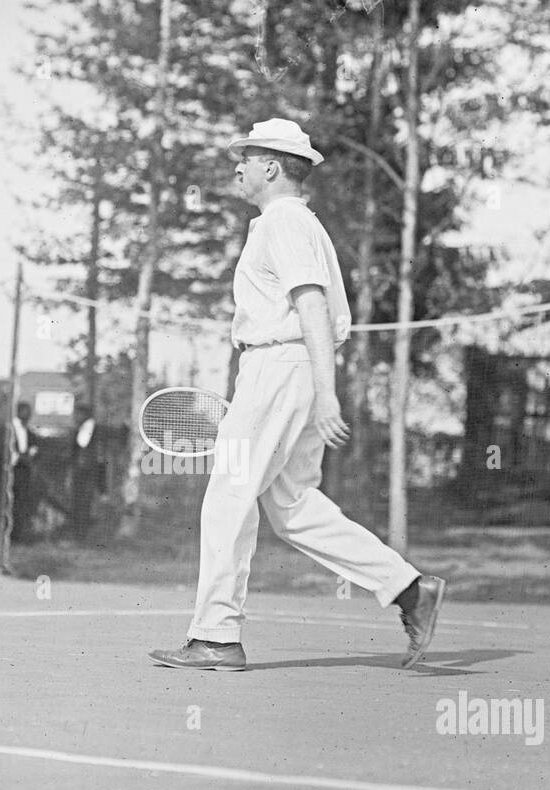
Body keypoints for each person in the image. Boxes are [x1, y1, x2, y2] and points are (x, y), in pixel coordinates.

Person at [148, 118, 444, 672]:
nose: (237, 166)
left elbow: (310, 305)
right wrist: (319, 387)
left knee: (228, 496)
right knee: (293, 506)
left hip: (280, 366)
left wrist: (326, 395)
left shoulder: (281, 223)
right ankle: (408, 590)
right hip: (292, 369)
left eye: (247, 156)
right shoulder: (295, 224)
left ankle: (215, 635)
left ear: (272, 167)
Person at [9, 400, 39, 543]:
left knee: (22, 502)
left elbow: (34, 445)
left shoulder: (28, 431)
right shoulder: (10, 429)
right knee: (11, 502)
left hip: (24, 471)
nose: (27, 415)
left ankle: (19, 535)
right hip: (11, 470)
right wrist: (18, 458)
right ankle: (10, 535)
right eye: (24, 412)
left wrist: (30, 454)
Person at [69, 403, 98, 541]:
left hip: (86, 471)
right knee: (80, 503)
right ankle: (79, 534)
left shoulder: (90, 428)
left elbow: (82, 444)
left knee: (83, 503)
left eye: (78, 414)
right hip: (82, 470)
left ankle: (81, 535)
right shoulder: (83, 428)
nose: (76, 417)